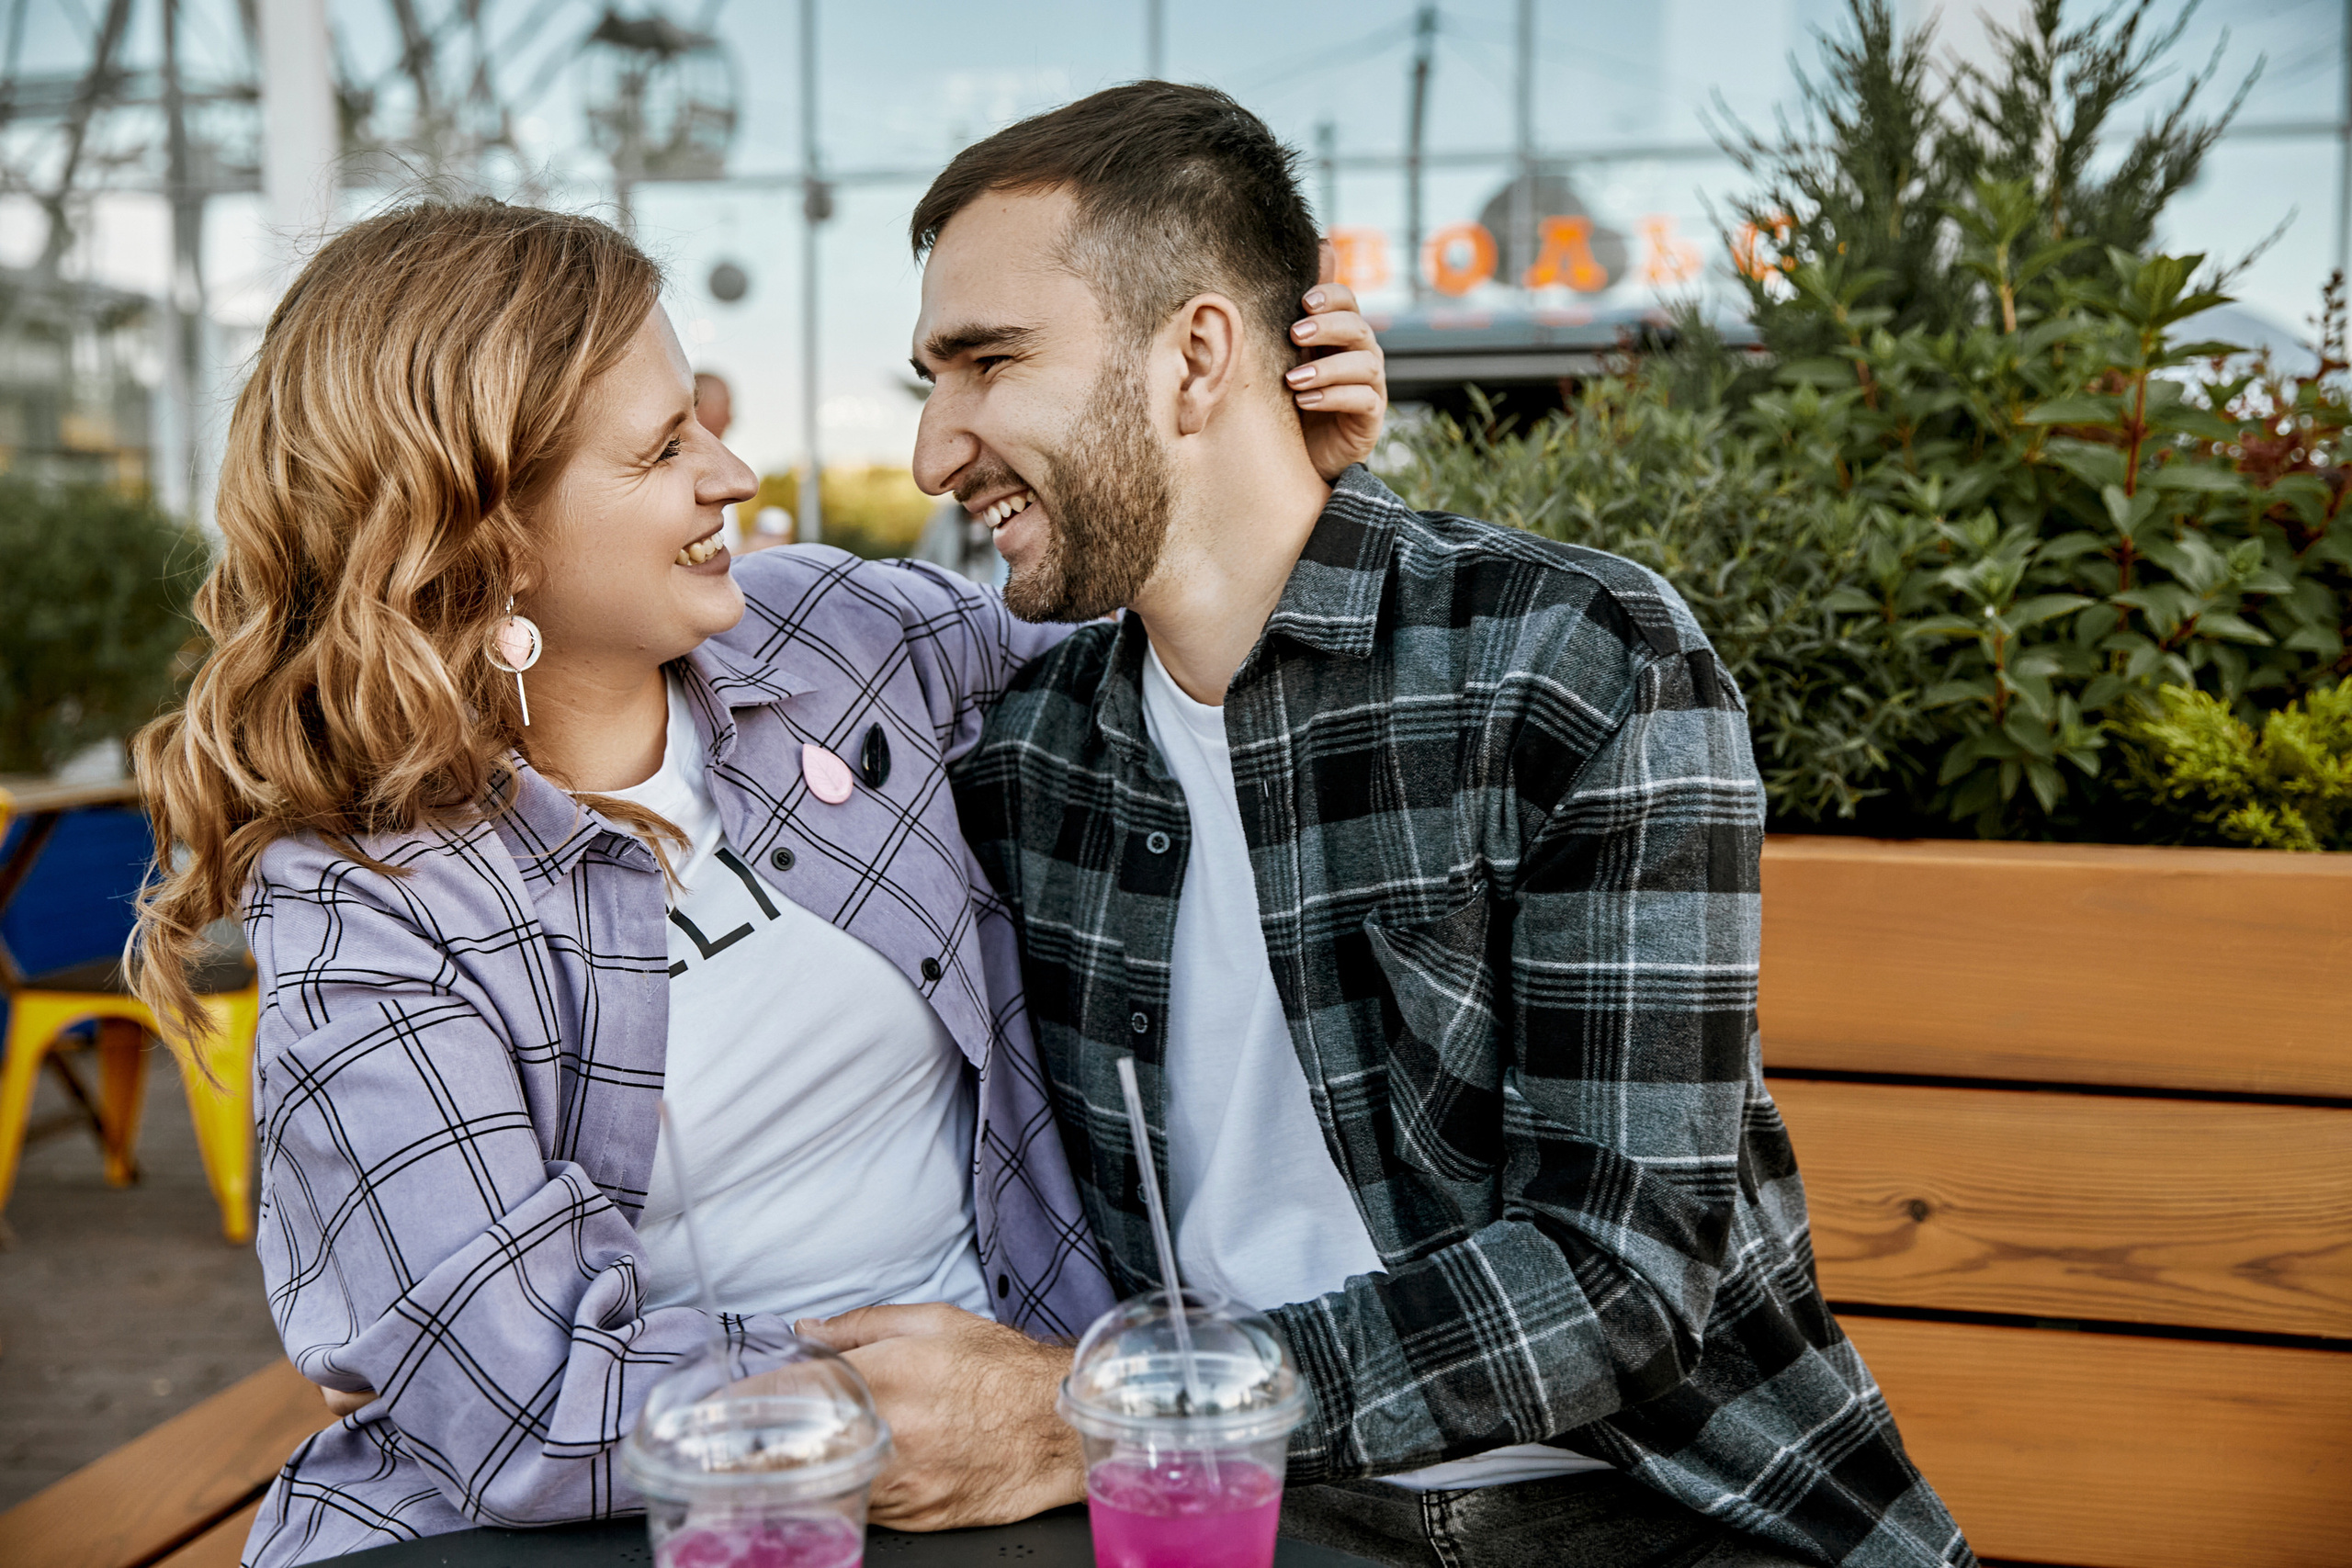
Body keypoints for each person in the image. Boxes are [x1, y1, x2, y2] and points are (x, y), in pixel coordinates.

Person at [794, 83, 1976, 1568]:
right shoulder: (1032, 753)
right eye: (928, 378)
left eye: (988, 361)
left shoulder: (1568, 660)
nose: (930, 452)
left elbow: (1619, 1275)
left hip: (1653, 1510)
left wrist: (1104, 1413)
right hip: (1235, 1514)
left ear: (1199, 354)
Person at [126, 197, 1389, 1566]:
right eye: (665, 448)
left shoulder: (828, 643)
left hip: (992, 1470)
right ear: (481, 537)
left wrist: (1265, 485)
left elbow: (1167, 666)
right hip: (630, 1519)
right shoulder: (374, 904)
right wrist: (899, 1397)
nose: (730, 472)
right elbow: (522, 1409)